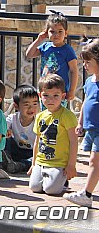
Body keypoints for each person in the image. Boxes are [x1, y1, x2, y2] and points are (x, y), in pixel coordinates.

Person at [29, 74, 77, 196]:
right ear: (40, 96)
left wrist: (71, 165)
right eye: (46, 95)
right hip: (41, 161)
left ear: (63, 96)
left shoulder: (67, 116)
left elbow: (73, 141)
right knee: (34, 188)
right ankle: (49, 177)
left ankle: (62, 181)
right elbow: (37, 140)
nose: (50, 100)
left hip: (59, 163)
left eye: (55, 95)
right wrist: (34, 164)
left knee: (51, 190)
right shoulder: (40, 116)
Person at [65, 39, 99, 207]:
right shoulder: (89, 82)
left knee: (94, 162)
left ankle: (86, 194)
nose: (84, 65)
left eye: (88, 61)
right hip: (92, 129)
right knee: (94, 161)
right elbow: (86, 103)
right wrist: (80, 122)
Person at [26, 11, 78, 103]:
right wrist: (39, 40)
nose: (56, 34)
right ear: (47, 33)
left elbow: (74, 71)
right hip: (45, 89)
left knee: (59, 115)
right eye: (52, 32)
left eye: (60, 31)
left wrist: (72, 90)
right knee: (46, 114)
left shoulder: (67, 50)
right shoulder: (45, 46)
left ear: (65, 33)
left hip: (59, 91)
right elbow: (29, 54)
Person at [3, 85, 39, 174]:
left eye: (34, 104)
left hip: (32, 152)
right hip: (16, 150)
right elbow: (3, 126)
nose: (31, 108)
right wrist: (6, 130)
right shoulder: (13, 118)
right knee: (5, 138)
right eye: (26, 105)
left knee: (38, 159)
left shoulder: (39, 121)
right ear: (16, 106)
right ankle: (7, 160)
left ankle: (20, 165)